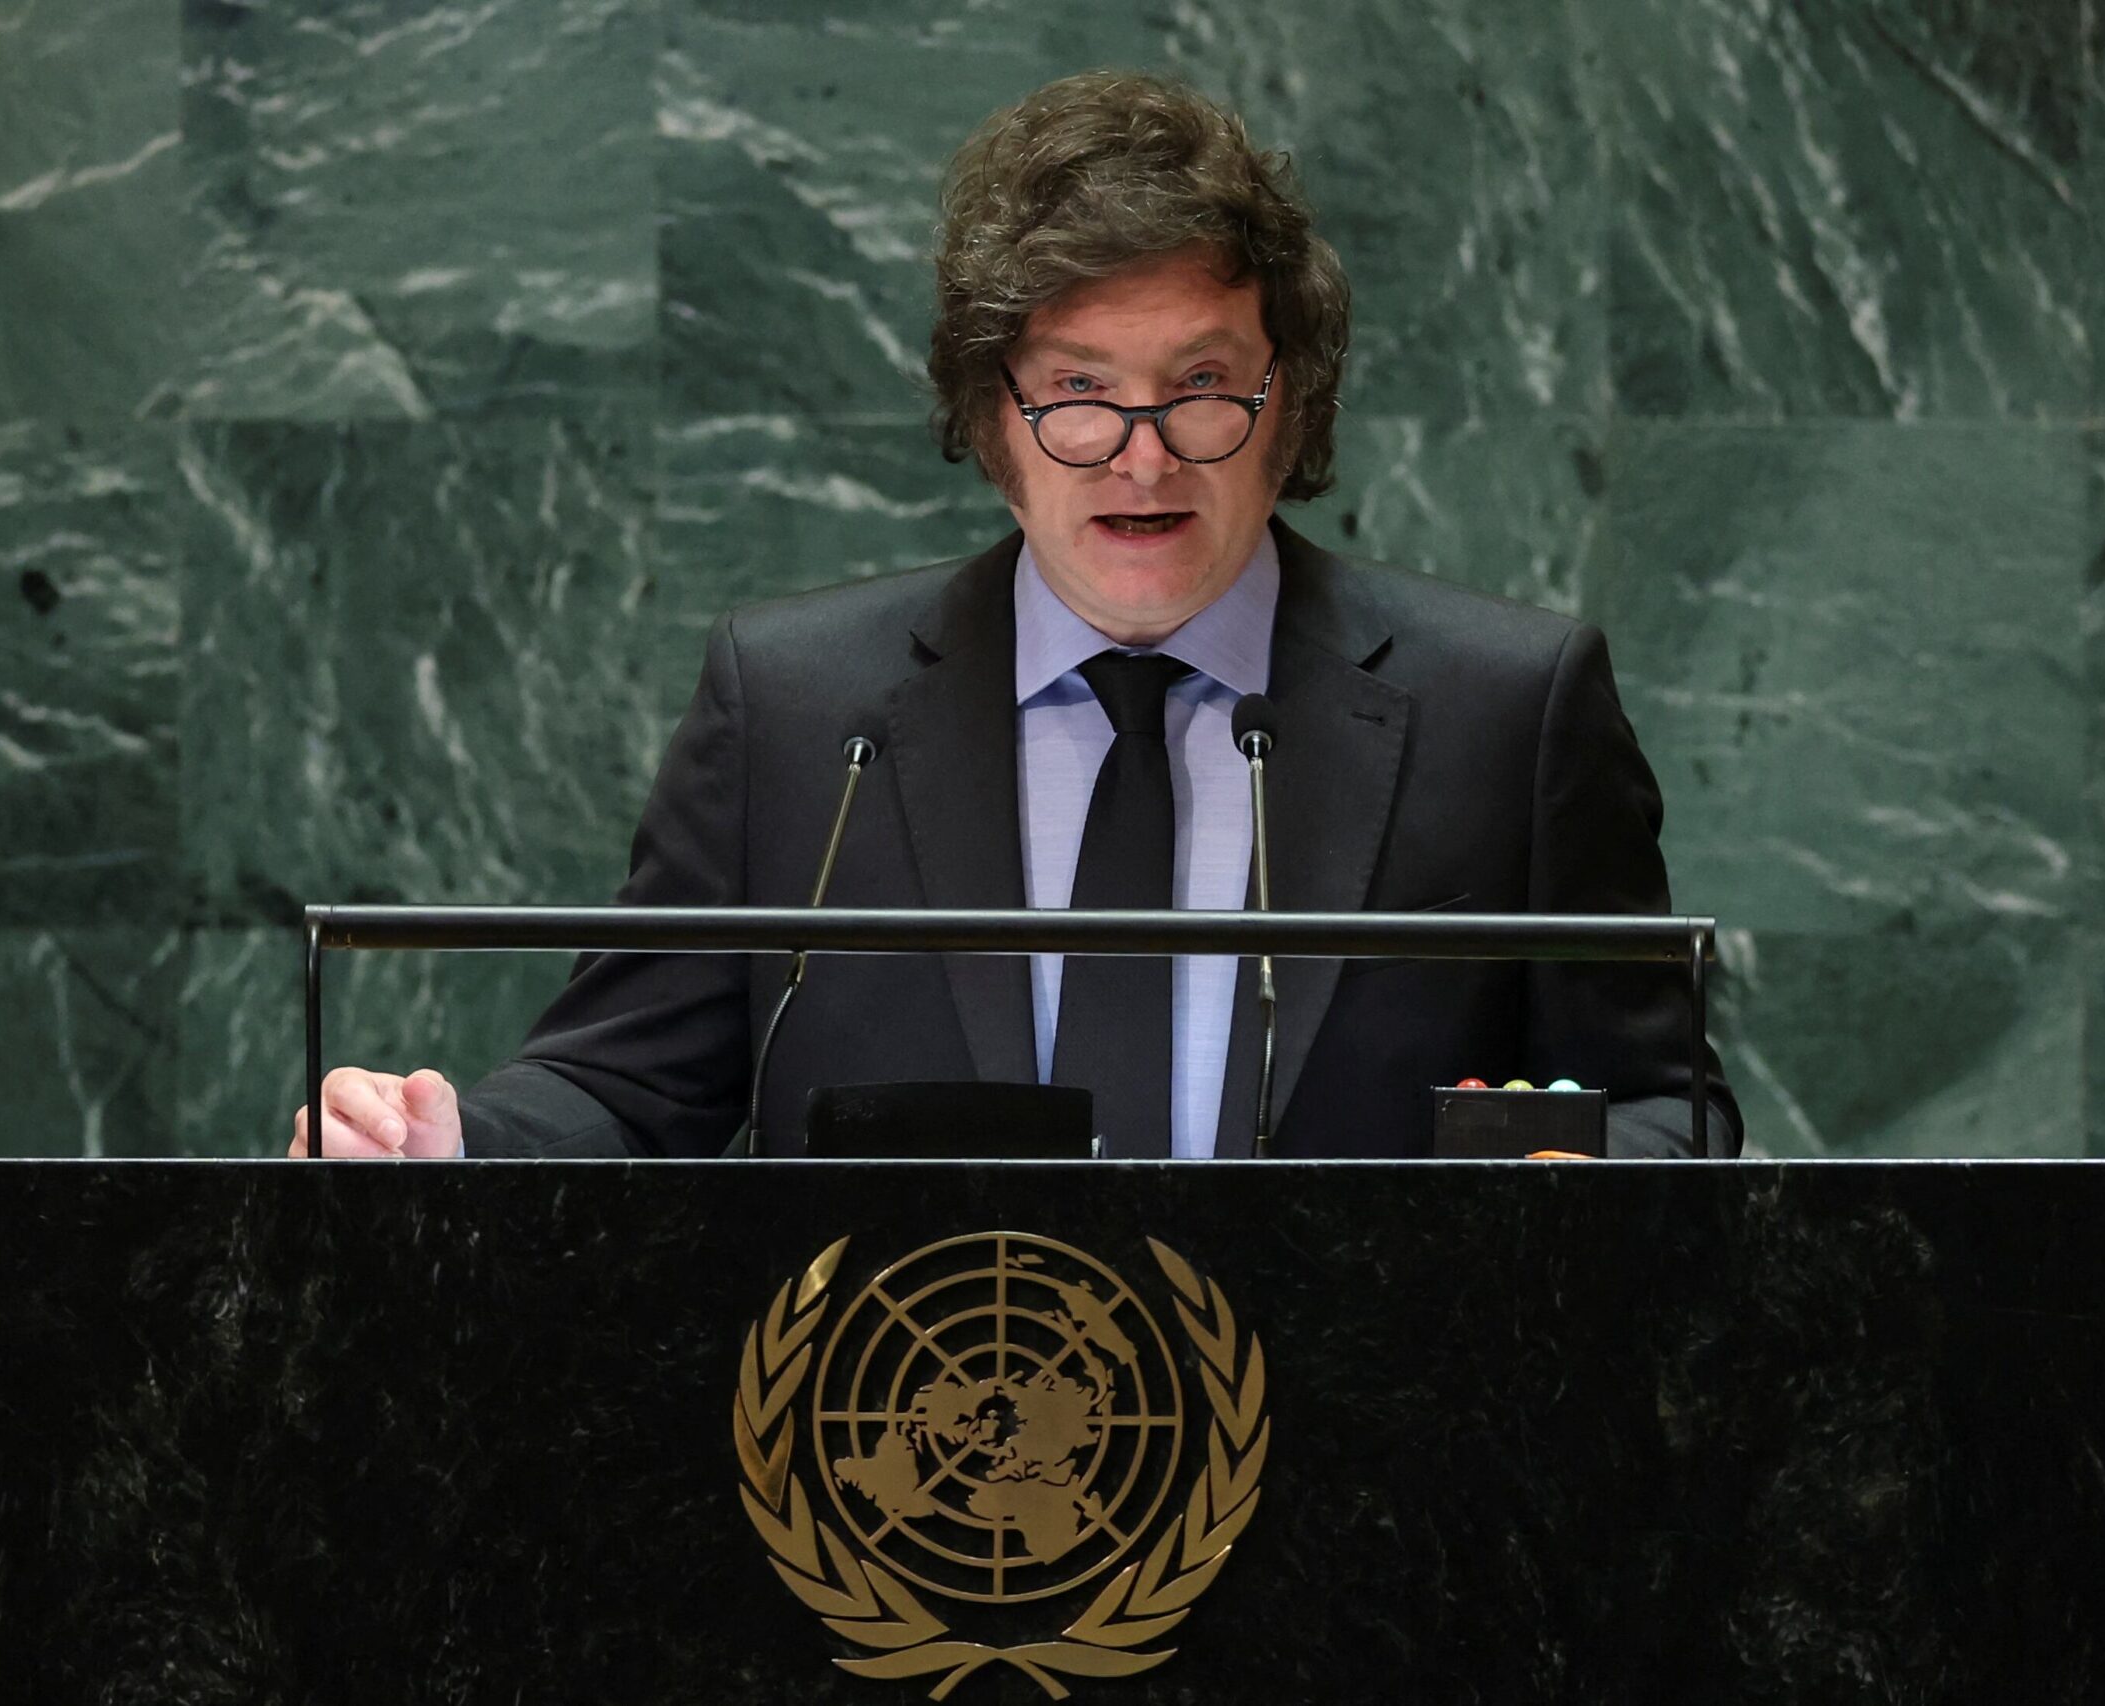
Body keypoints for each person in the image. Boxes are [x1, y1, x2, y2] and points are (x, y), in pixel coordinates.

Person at [292, 70, 1742, 1164]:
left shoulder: (1508, 703)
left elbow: (1668, 1109)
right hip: (904, 1486)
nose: (1145, 450)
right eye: (1079, 394)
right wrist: (440, 1144)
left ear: (1285, 397)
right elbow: (623, 1083)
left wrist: (1583, 1176)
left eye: (1202, 382)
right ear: (993, 417)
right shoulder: (795, 708)